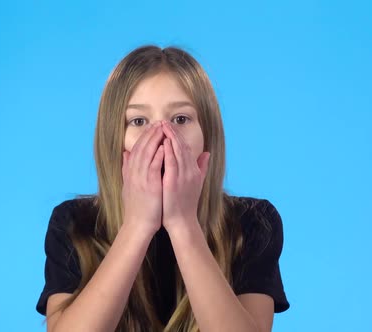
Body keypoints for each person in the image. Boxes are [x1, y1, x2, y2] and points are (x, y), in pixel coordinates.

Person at [35, 45, 290, 332]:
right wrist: (137, 226)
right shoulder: (73, 222)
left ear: (208, 137)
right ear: (114, 141)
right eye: (139, 121)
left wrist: (183, 224)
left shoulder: (254, 221)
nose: (161, 138)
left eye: (180, 119)